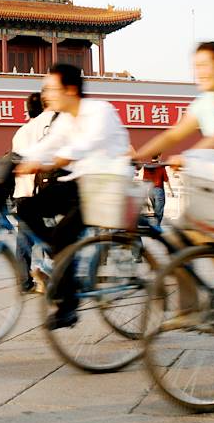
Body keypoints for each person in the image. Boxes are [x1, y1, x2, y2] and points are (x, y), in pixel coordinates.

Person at [15, 64, 130, 328]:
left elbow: (88, 143)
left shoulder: (100, 111)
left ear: (70, 89)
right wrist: (27, 161)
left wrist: (56, 159)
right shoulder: (65, 119)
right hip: (79, 183)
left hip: (105, 184)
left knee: (64, 235)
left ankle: (68, 307)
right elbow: (48, 144)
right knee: (26, 208)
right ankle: (61, 256)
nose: (47, 95)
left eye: (52, 89)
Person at [11, 92, 54, 291]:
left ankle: (23, 281)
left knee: (24, 239)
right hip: (42, 189)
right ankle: (49, 272)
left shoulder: (20, 132)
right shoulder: (45, 128)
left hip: (22, 191)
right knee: (50, 233)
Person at [141, 155, 174, 226]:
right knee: (159, 212)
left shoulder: (146, 166)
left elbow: (144, 181)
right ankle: (156, 228)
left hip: (150, 191)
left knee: (156, 211)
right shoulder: (161, 166)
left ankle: (155, 227)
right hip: (158, 190)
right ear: (158, 156)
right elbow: (166, 179)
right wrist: (171, 191)